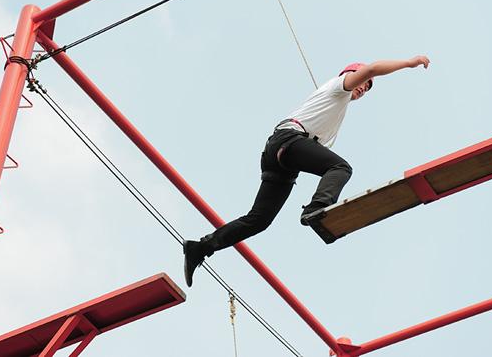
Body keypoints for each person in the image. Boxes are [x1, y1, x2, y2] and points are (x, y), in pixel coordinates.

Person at [182, 57, 431, 287]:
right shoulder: (338, 87)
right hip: (287, 142)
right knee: (341, 168)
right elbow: (373, 69)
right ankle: (316, 209)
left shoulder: (335, 108)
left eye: (366, 89)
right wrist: (410, 63)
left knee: (259, 220)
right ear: (350, 74)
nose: (362, 89)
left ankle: (201, 247)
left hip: (282, 157)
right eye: (363, 83)